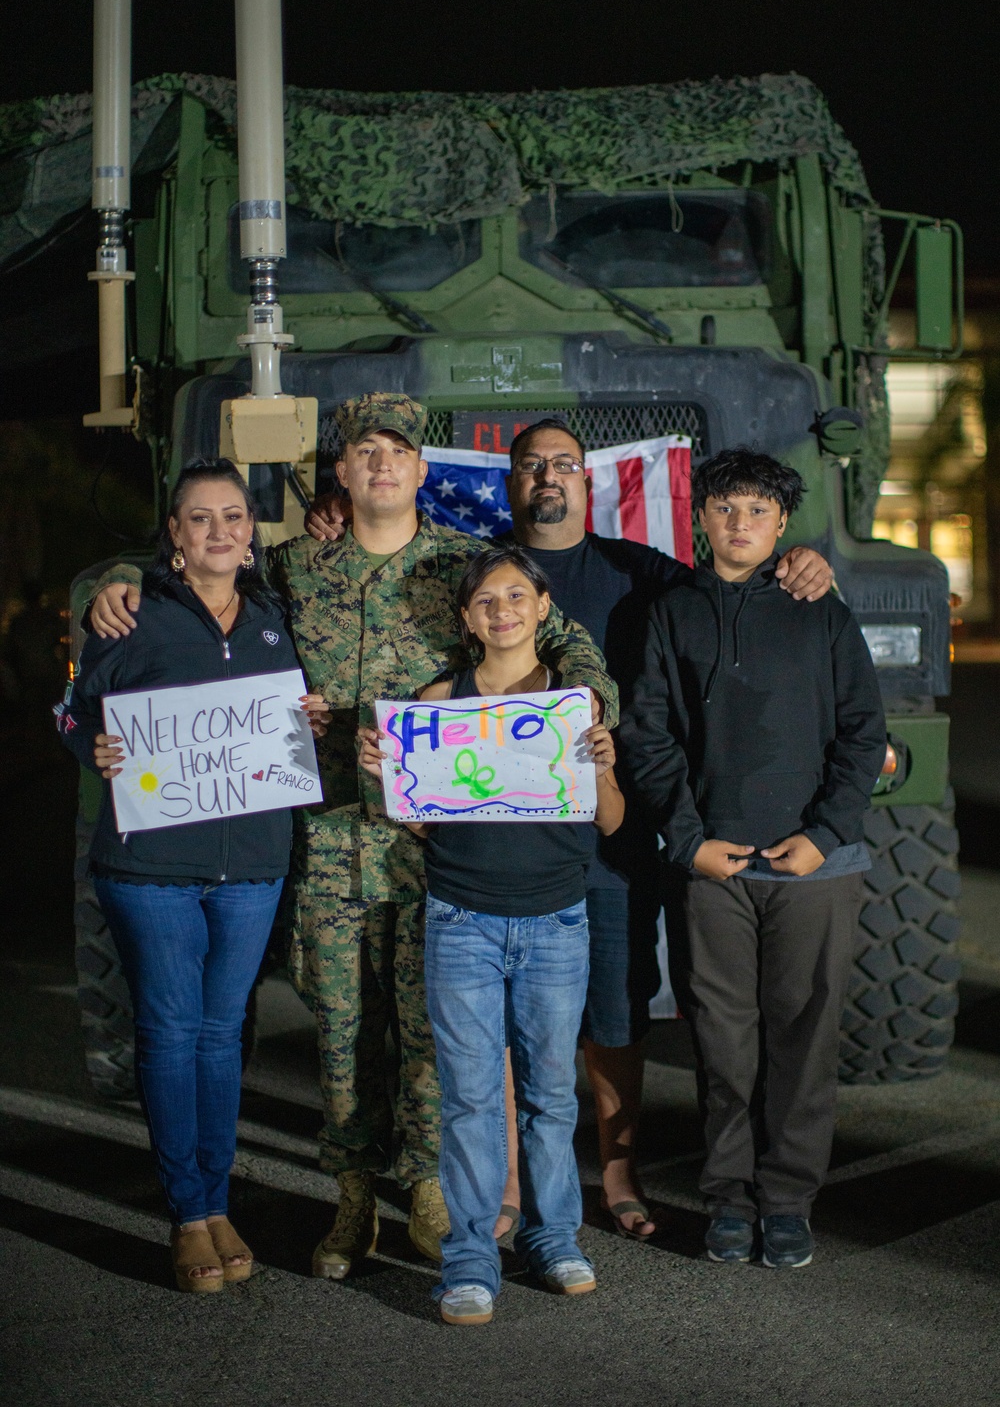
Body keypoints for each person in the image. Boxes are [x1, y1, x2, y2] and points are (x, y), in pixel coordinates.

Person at [87, 393, 618, 1280]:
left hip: (437, 845)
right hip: (328, 838)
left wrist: (588, 707)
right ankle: (350, 1192)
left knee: (431, 1030)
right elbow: (204, 591)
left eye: (397, 451)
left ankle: (429, 1191)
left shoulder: (463, 564)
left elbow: (568, 642)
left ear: (420, 471)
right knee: (339, 1024)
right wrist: (128, 581)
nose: (380, 464)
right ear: (340, 472)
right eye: (363, 451)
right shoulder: (292, 569)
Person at [308, 417, 835, 1240]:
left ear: (587, 484)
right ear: (510, 484)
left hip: (609, 836)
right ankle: (512, 1183)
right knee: (513, 1016)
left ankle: (617, 1168)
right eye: (530, 465)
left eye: (564, 464)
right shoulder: (480, 571)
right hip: (502, 847)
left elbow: (738, 577)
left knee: (614, 1011)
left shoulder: (640, 570)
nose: (547, 476)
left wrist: (805, 562)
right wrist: (329, 513)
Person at [57, 458, 329, 1292]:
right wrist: (87, 744)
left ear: (252, 533)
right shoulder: (128, 615)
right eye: (200, 518)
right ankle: (187, 1213)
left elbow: (284, 732)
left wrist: (309, 719)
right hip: (152, 869)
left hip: (250, 865)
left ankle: (217, 1201)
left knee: (220, 1034)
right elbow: (71, 709)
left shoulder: (275, 621)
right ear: (174, 536)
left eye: (235, 517)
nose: (221, 530)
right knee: (172, 1032)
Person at [620, 447, 886, 1268]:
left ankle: (789, 1201)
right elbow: (650, 734)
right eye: (726, 509)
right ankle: (730, 1198)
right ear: (701, 517)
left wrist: (828, 831)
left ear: (781, 525)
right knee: (724, 1042)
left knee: (803, 1041)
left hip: (814, 867)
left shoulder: (823, 612)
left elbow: (863, 733)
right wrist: (689, 839)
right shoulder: (671, 612)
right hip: (715, 868)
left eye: (758, 513)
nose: (741, 525)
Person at [360, 546, 624, 1325]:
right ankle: (471, 1258)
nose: (502, 609)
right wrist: (387, 772)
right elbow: (412, 818)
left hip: (556, 921)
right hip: (463, 920)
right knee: (472, 1100)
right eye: (485, 599)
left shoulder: (576, 703)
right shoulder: (442, 700)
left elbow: (610, 820)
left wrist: (604, 766)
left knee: (549, 1095)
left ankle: (552, 1236)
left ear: (543, 606)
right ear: (467, 616)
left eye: (517, 594)